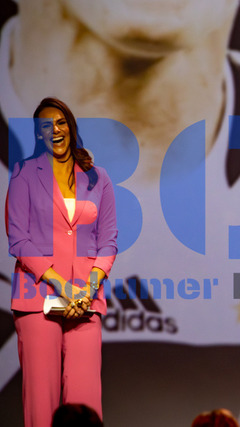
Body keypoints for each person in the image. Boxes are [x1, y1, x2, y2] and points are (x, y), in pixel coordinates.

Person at [6, 98, 117, 426]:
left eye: (60, 122)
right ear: (38, 134)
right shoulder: (24, 174)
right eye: (45, 125)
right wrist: (63, 286)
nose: (54, 130)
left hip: (85, 302)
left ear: (71, 126)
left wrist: (86, 290)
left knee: (85, 403)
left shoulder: (97, 177)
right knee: (41, 404)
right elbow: (18, 239)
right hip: (37, 300)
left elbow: (108, 241)